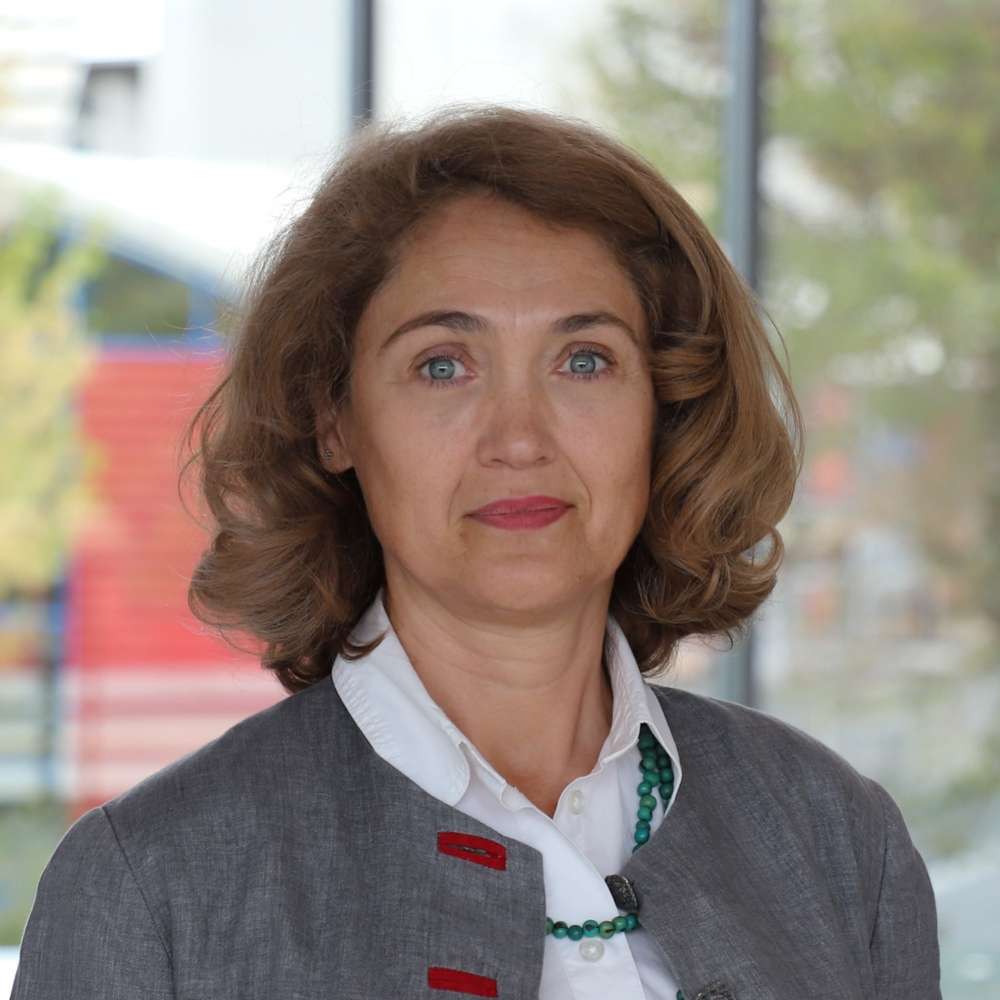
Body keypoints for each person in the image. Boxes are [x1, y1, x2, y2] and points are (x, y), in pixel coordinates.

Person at [11, 103, 941, 1000]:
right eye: (442, 365)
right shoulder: (149, 890)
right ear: (334, 419)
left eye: (584, 360)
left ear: (663, 411)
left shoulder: (835, 836)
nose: (521, 438)